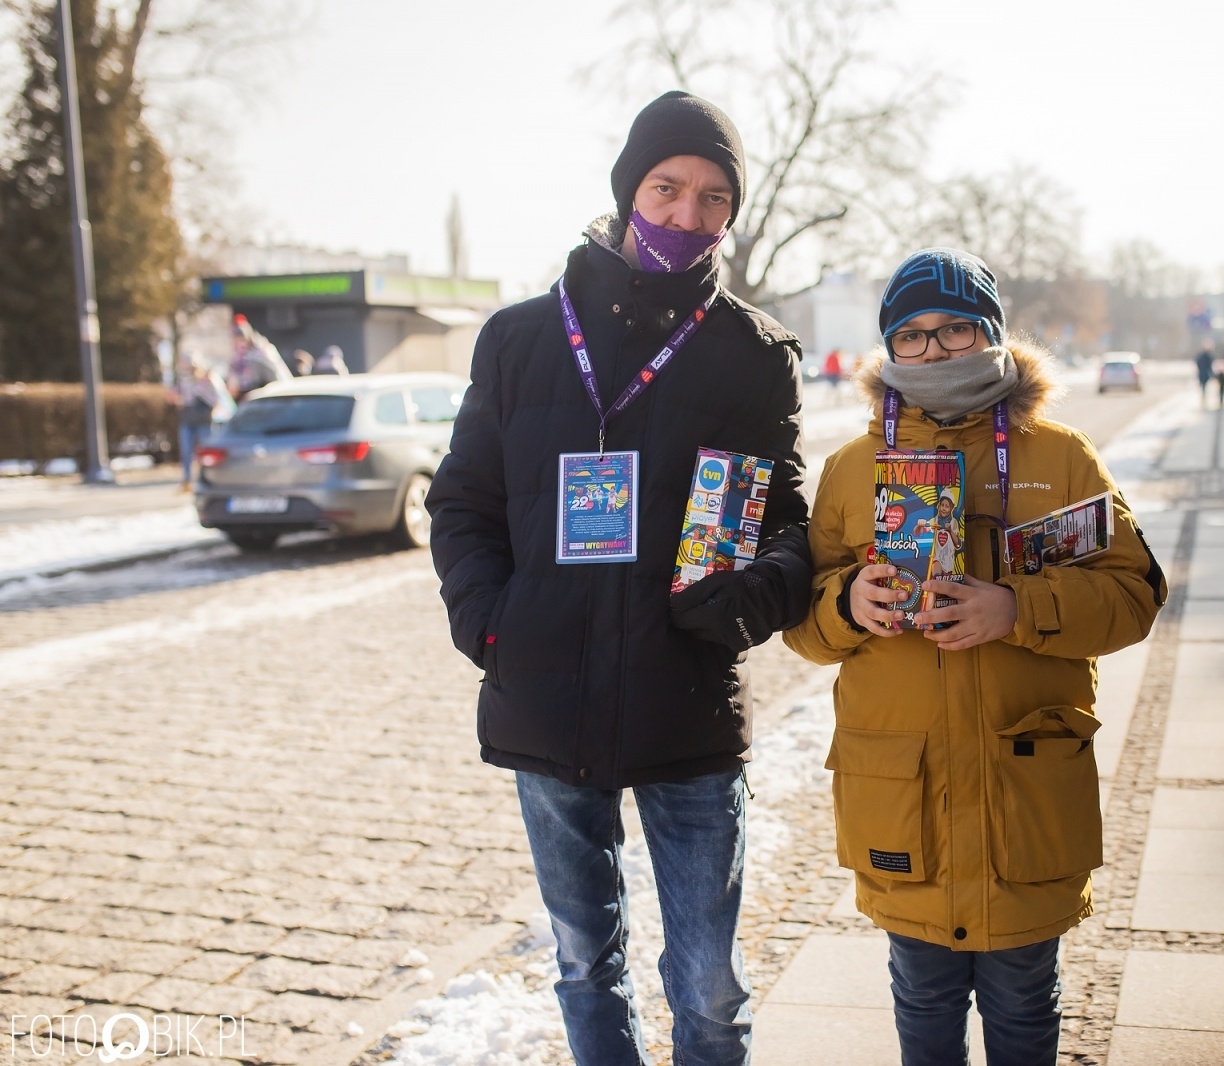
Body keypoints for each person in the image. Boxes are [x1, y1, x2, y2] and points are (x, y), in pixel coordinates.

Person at [426, 91, 812, 1066]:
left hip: (687, 699)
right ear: (628, 188)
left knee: (709, 985)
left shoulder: (752, 354)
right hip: (545, 696)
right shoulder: (519, 338)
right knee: (583, 965)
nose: (687, 214)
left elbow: (788, 528)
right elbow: (463, 502)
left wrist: (744, 603)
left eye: (714, 198)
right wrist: (493, 627)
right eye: (667, 188)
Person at [785, 248, 1167, 1065]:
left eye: (955, 329)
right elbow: (804, 629)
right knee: (922, 998)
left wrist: (1017, 609)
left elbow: (1133, 596)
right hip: (905, 799)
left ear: (991, 333)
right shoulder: (851, 471)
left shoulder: (1060, 456)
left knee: (1025, 1000)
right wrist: (848, 604)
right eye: (912, 334)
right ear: (890, 345)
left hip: (1023, 796)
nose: (933, 350)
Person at [167, 353, 218, 491]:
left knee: (205, 452)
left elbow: (215, 399)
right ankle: (187, 480)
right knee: (186, 451)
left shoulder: (205, 380)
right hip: (187, 420)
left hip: (203, 421)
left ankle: (206, 478)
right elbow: (171, 397)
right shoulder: (180, 381)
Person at [225, 315, 291, 400]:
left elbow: (278, 375)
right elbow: (234, 384)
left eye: (240, 339)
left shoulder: (263, 350)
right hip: (252, 395)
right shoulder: (238, 357)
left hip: (274, 391)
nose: (239, 344)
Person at [1194, 342, 1214, 407]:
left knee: (1203, 387)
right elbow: (1209, 366)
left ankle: (1203, 398)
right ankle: (1203, 398)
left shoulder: (1201, 356)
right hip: (1204, 374)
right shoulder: (1207, 357)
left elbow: (1198, 363)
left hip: (1202, 374)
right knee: (1204, 387)